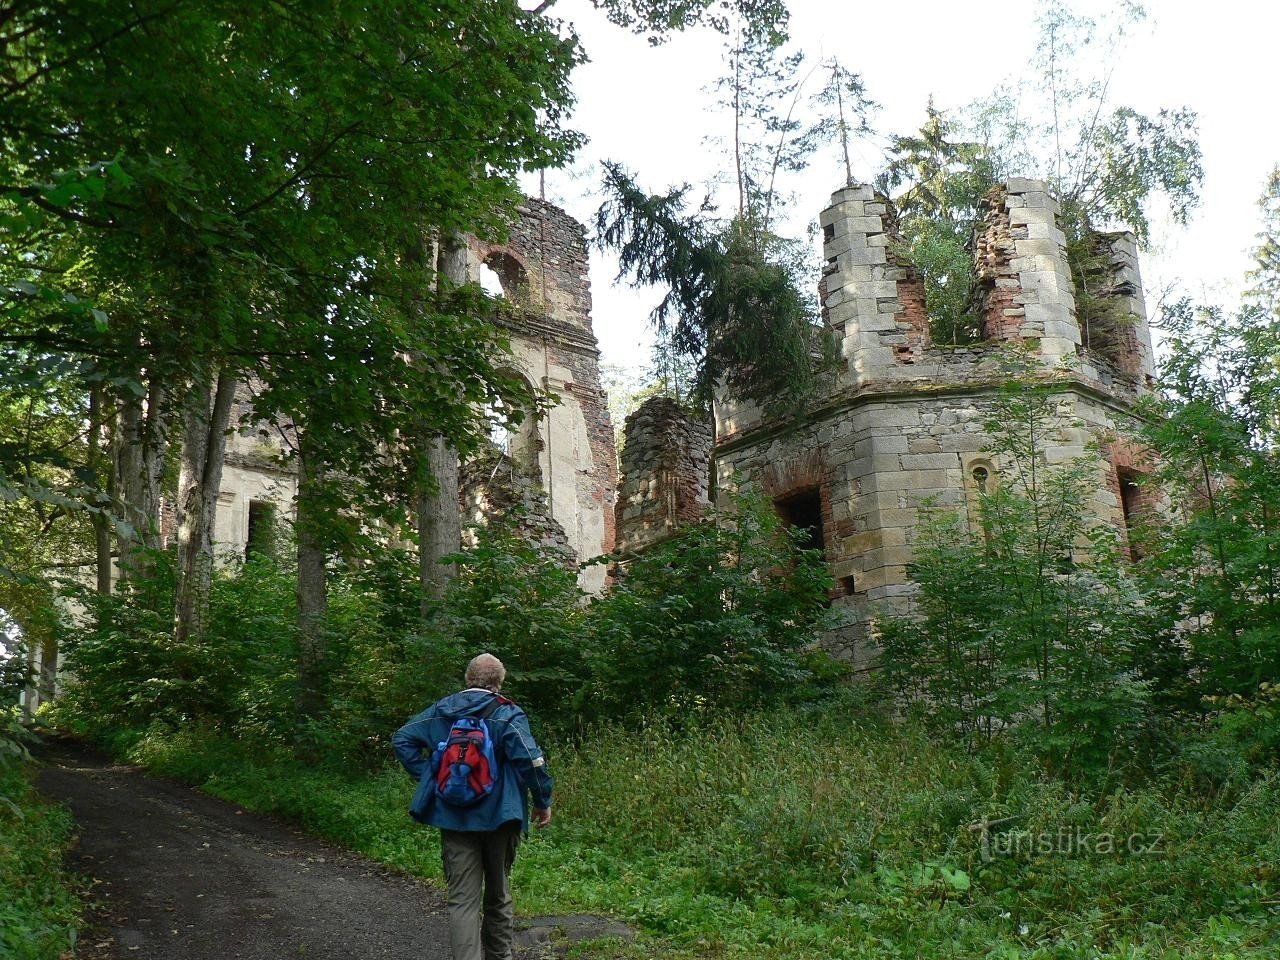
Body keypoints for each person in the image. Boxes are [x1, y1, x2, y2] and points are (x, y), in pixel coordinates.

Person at [392, 653, 552, 960]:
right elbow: (531, 761)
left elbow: (402, 739)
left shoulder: (441, 711)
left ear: (468, 678)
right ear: (499, 681)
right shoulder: (507, 713)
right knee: (498, 894)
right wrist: (542, 800)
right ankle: (499, 955)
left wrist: (431, 777)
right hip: (502, 816)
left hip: (453, 816)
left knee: (462, 900)